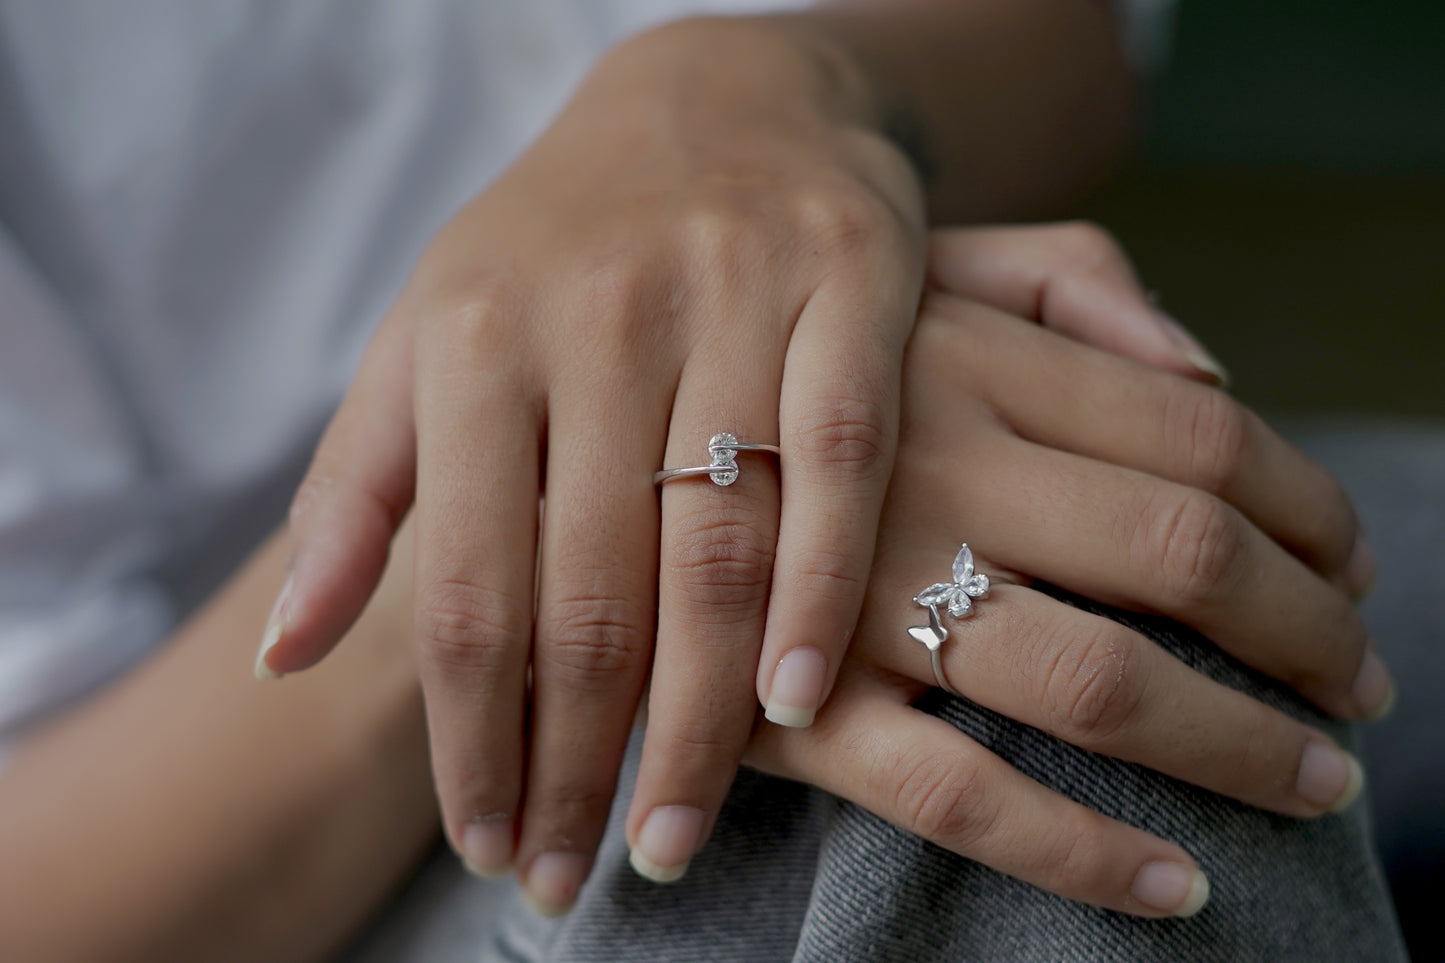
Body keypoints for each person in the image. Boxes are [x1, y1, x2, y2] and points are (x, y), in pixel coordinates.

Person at [0, 1, 1410, 960]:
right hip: (257, 798)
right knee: (1031, 690)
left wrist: (762, 86)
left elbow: (1069, 38)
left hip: (906, 369)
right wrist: (512, 525)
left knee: (1122, 544)